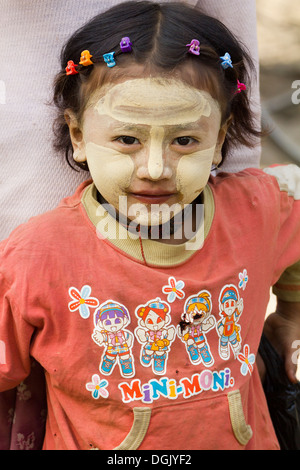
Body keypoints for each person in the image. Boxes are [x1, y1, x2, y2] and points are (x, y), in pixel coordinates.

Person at [0, 1, 299, 450]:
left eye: (184, 140)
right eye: (126, 139)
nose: (156, 168)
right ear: (78, 136)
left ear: (219, 139)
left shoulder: (256, 209)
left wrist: (290, 316)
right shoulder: (38, 255)